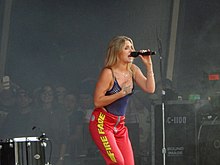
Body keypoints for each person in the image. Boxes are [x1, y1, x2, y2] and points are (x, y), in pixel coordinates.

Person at [89, 35, 155, 165]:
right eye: (126, 48)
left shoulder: (133, 70)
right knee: (118, 161)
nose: (131, 50)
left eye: (132, 47)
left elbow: (150, 88)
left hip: (119, 125)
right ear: (117, 52)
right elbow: (97, 101)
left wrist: (148, 65)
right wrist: (121, 93)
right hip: (102, 123)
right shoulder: (108, 72)